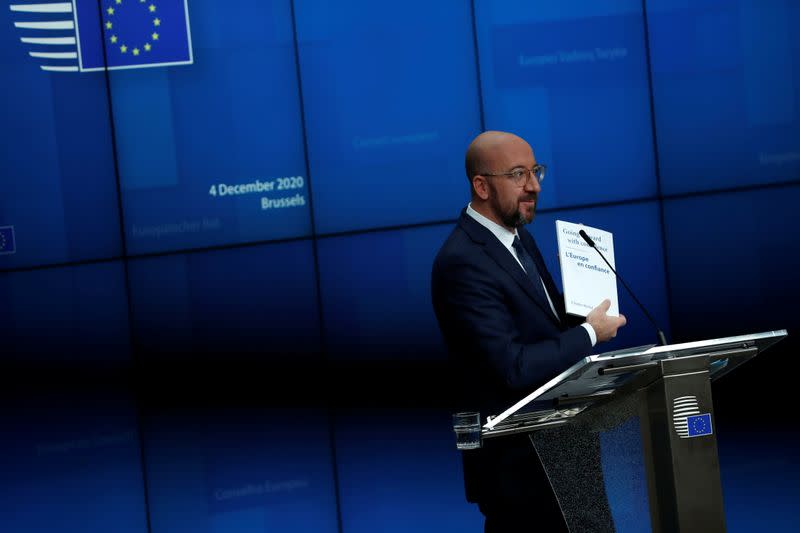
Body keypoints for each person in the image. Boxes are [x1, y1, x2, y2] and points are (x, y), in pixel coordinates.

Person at [431, 131, 627, 532]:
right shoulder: (462, 262)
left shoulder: (520, 239)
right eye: (518, 174)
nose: (534, 186)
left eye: (536, 171)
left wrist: (582, 299)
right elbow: (512, 367)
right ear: (481, 186)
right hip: (518, 471)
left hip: (565, 450)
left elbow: (544, 332)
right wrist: (589, 333)